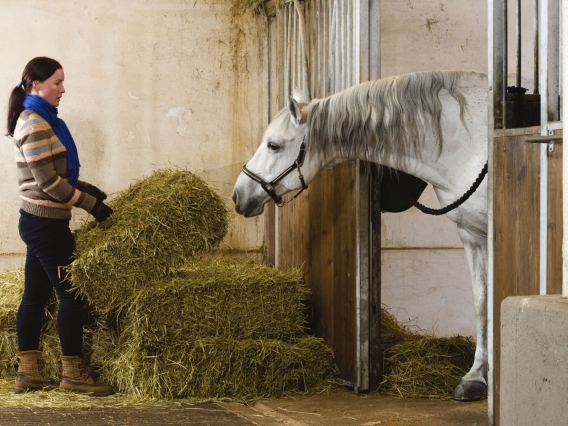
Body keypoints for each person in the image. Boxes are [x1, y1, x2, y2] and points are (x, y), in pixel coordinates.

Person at [6, 56, 114, 396]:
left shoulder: (39, 120)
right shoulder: (36, 123)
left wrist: (83, 187)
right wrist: (90, 204)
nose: (63, 89)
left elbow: (52, 177)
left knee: (35, 296)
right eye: (57, 82)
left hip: (39, 221)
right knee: (72, 296)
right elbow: (50, 184)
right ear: (36, 84)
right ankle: (72, 376)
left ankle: (28, 373)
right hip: (45, 225)